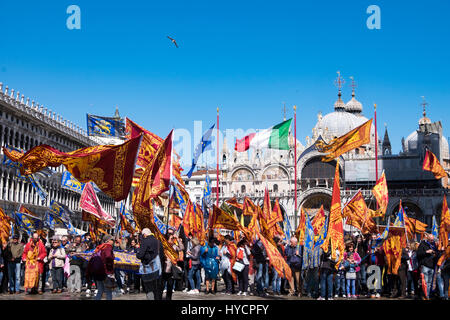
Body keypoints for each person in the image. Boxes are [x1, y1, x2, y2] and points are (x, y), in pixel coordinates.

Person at [136, 228, 164, 300]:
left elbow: (140, 255)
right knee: (157, 288)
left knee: (149, 288)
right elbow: (162, 255)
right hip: (158, 269)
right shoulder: (158, 242)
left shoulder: (145, 241)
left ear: (145, 234)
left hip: (148, 270)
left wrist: (137, 253)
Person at [86, 235, 115, 300]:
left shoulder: (100, 247)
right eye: (112, 240)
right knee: (108, 291)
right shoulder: (108, 246)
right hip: (106, 271)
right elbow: (108, 256)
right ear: (108, 241)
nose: (113, 242)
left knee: (100, 290)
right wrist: (113, 257)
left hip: (98, 271)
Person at [161, 233, 183, 300]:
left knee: (170, 287)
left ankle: (168, 298)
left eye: (173, 238)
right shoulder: (164, 246)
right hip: (164, 268)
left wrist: (178, 240)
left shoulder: (174, 246)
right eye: (171, 238)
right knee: (161, 287)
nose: (172, 240)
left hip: (171, 270)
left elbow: (182, 248)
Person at [417, 233, 437, 300]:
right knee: (424, 282)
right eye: (431, 240)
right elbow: (418, 254)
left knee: (429, 283)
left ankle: (427, 296)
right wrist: (426, 252)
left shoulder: (434, 244)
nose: (432, 241)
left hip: (431, 266)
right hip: (425, 265)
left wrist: (435, 253)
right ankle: (424, 296)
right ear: (427, 239)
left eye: (433, 240)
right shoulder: (423, 244)